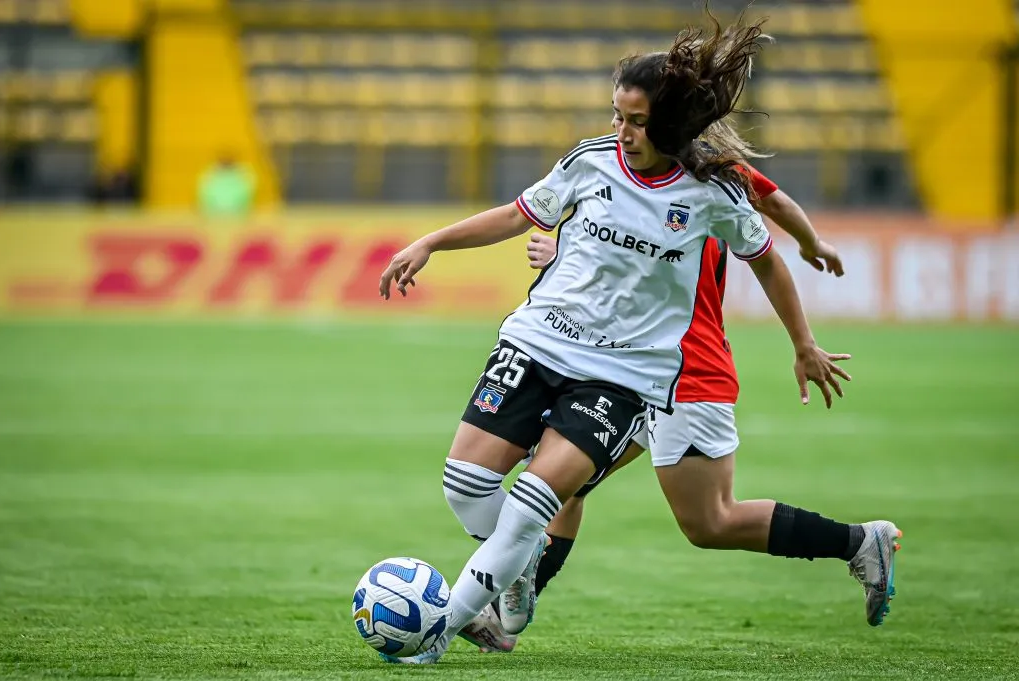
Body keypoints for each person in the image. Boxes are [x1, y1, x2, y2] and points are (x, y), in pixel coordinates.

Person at [377, 12, 888, 665]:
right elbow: (572, 231)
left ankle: (453, 620)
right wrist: (470, 244)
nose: (621, 131)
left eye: (636, 120)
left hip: (667, 369)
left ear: (670, 121)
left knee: (694, 519)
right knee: (508, 488)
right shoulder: (594, 162)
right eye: (616, 116)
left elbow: (769, 220)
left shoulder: (713, 184)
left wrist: (808, 292)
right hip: (554, 346)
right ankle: (514, 577)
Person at [461, 158, 894, 656]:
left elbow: (738, 228)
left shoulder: (709, 172)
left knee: (710, 521)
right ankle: (509, 600)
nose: (625, 127)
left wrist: (805, 319)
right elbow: (770, 200)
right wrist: (811, 241)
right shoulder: (646, 165)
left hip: (683, 368)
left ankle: (859, 542)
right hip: (627, 364)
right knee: (562, 481)